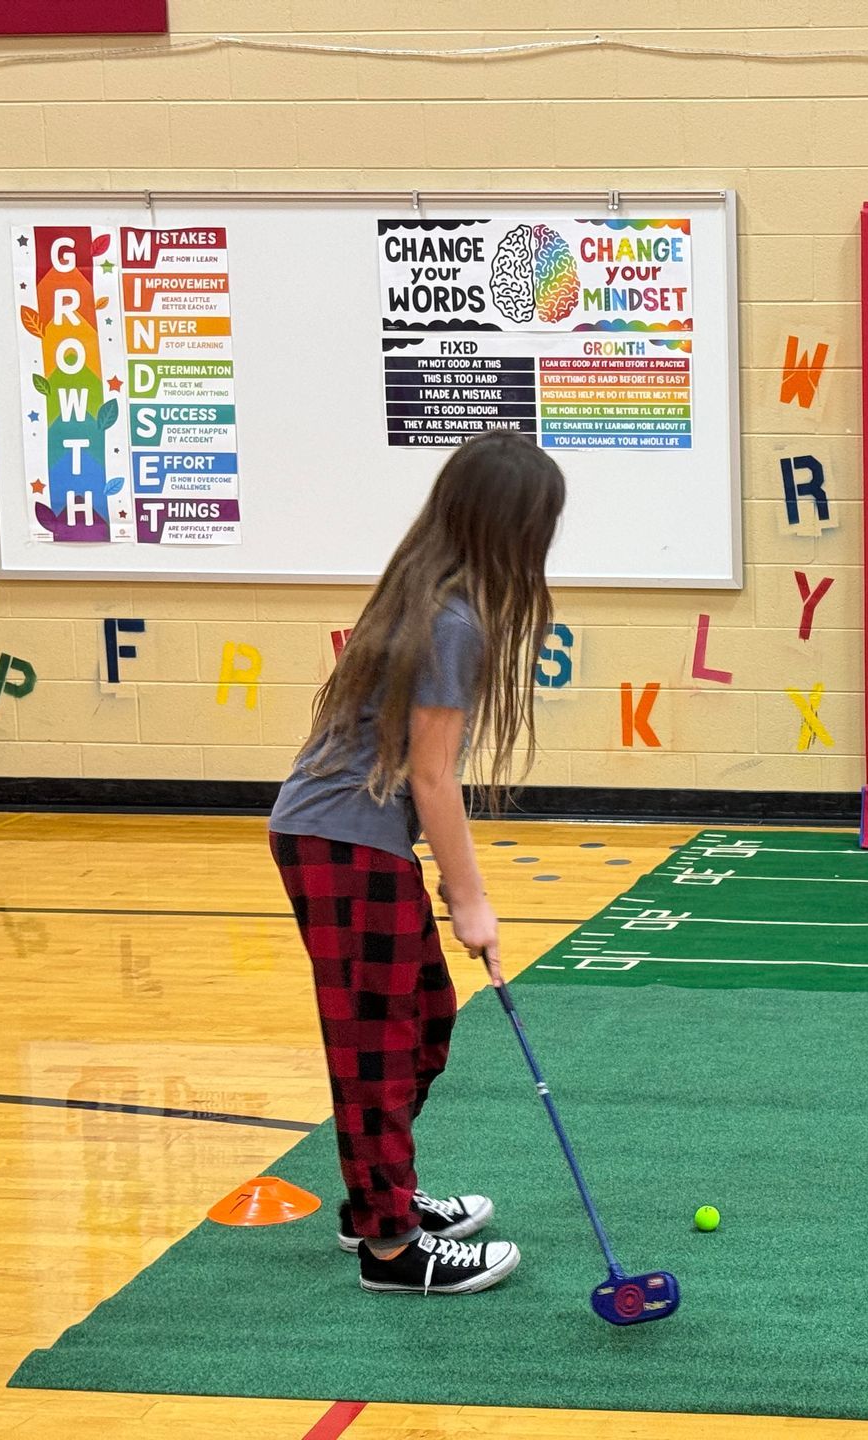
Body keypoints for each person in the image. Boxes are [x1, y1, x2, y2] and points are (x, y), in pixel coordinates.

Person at [269, 429, 566, 1295]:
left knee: (423, 1020)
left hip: (351, 838)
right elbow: (432, 776)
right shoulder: (451, 618)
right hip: (342, 841)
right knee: (377, 1042)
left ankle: (377, 1200)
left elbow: (418, 770)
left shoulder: (432, 596)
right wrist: (469, 897)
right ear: (511, 526)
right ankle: (390, 1248)